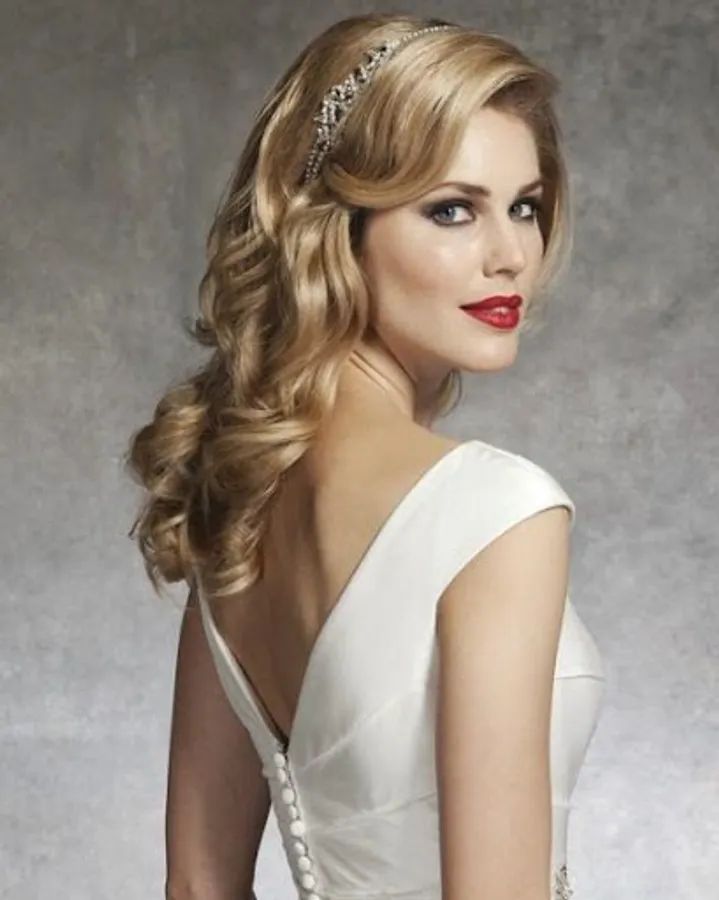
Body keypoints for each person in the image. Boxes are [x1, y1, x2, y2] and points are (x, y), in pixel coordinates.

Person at [124, 12, 606, 900]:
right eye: (451, 209)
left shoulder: (236, 513)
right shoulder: (492, 509)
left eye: (525, 207)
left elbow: (195, 886)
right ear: (333, 230)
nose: (510, 255)